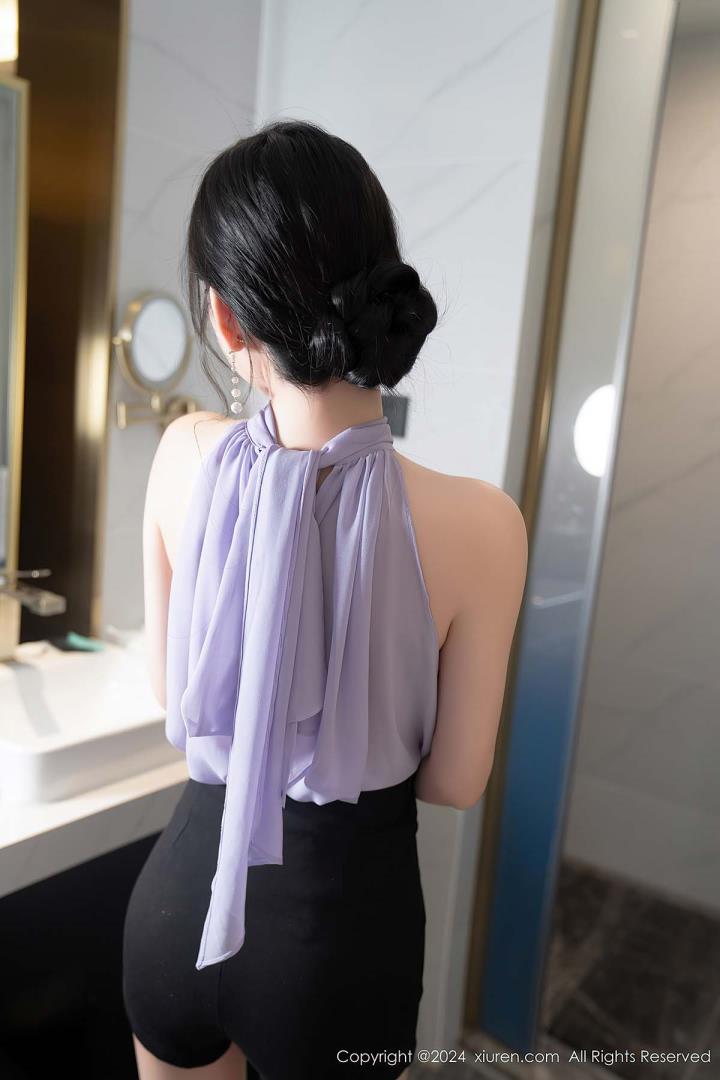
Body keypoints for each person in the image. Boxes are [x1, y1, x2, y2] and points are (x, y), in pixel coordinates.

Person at [121, 119, 528, 1080]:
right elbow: (454, 781)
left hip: (178, 906)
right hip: (342, 942)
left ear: (227, 321)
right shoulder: (484, 524)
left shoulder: (181, 454)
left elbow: (171, 694)